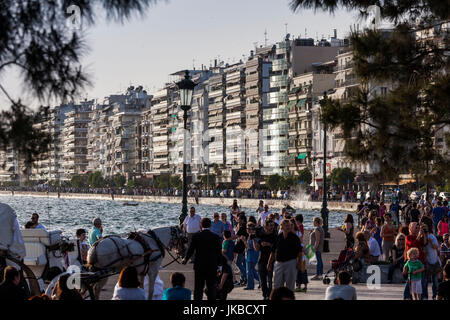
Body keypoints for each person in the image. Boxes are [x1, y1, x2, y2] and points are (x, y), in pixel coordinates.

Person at [182, 217, 222, 301]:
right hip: (212, 266)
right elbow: (219, 253)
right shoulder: (216, 237)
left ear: (201, 225)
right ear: (210, 225)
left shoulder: (196, 236)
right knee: (211, 288)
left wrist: (185, 259)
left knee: (198, 288)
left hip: (199, 266)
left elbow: (191, 249)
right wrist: (220, 266)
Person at [268, 219, 302, 291]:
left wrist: (299, 263)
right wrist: (269, 263)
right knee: (277, 285)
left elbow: (300, 252)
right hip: (278, 263)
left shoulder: (295, 238)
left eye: (289, 226)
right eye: (286, 226)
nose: (288, 227)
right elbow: (273, 252)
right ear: (281, 227)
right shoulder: (278, 237)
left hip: (291, 263)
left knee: (290, 286)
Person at [404, 222, 428, 300]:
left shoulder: (419, 236)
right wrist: (418, 235)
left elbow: (424, 243)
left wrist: (424, 234)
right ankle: (407, 296)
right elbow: (413, 245)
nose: (418, 229)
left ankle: (424, 296)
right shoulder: (408, 237)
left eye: (418, 227)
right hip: (411, 262)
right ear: (410, 228)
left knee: (423, 280)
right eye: (416, 227)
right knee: (410, 281)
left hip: (420, 261)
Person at [257, 219, 277, 300]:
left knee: (270, 279)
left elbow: (276, 249)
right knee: (262, 279)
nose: (272, 227)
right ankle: (264, 295)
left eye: (273, 225)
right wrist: (256, 242)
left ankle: (269, 295)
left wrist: (269, 244)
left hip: (271, 260)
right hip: (261, 259)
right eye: (271, 225)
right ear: (265, 226)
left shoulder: (274, 235)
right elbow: (257, 248)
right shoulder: (261, 235)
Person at [423, 224, 441, 299]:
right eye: (423, 228)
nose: (424, 230)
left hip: (434, 261)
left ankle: (434, 296)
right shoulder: (420, 237)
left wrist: (431, 242)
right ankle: (425, 296)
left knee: (435, 281)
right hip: (426, 261)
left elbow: (437, 247)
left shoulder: (432, 236)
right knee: (425, 281)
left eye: (425, 229)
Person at [243, 222, 259, 290]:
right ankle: (261, 281)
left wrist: (244, 241)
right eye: (247, 228)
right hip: (251, 256)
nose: (247, 230)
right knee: (252, 271)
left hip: (252, 256)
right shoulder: (251, 236)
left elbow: (250, 247)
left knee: (249, 272)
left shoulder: (253, 237)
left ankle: (250, 286)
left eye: (248, 228)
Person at [233, 217, 248, 286]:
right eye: (238, 219)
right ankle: (243, 280)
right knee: (243, 264)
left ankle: (246, 276)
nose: (238, 220)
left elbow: (236, 236)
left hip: (241, 247)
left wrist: (227, 238)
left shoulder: (242, 227)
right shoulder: (244, 227)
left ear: (243, 220)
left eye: (240, 219)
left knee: (238, 263)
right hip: (243, 246)